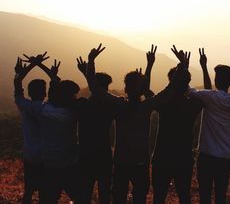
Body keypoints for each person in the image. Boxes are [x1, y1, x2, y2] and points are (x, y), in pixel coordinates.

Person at [85, 44, 185, 204]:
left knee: (119, 198)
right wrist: (181, 67)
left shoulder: (119, 105)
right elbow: (170, 89)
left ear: (126, 87)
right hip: (140, 164)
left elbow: (95, 88)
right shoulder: (146, 106)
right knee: (138, 198)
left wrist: (91, 62)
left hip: (121, 163)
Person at [16, 54, 82, 204]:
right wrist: (50, 74)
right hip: (68, 164)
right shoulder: (73, 111)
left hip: (43, 162)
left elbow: (19, 96)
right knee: (77, 197)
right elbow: (56, 93)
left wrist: (22, 73)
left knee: (40, 196)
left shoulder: (42, 110)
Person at [187, 37, 230, 204]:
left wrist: (202, 66)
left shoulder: (209, 97)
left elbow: (193, 90)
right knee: (220, 195)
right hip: (225, 158)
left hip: (206, 156)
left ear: (217, 80)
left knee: (204, 194)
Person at [151, 47, 203, 204]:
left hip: (162, 157)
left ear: (170, 82)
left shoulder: (164, 104)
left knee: (158, 198)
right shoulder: (192, 105)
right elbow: (207, 91)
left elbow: (148, 93)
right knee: (184, 196)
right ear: (187, 84)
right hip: (183, 159)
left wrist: (150, 66)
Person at [75, 56, 116, 204]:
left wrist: (87, 74)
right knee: (104, 193)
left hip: (85, 154)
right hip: (103, 155)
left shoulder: (82, 105)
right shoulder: (110, 108)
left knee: (85, 193)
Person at [14, 56, 46, 204]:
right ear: (45, 93)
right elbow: (56, 83)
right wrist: (41, 65)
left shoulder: (24, 106)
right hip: (46, 157)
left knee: (28, 190)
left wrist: (28, 68)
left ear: (30, 92)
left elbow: (17, 85)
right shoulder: (50, 108)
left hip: (30, 155)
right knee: (46, 193)